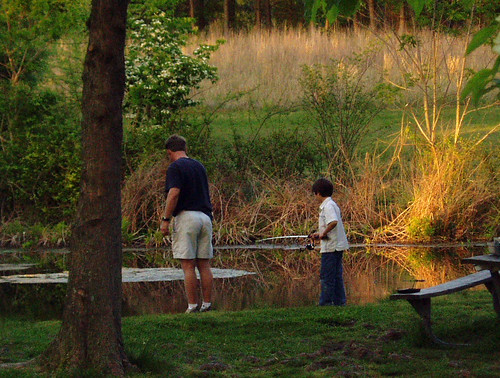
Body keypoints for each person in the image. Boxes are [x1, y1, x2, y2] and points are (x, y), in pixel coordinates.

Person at [160, 135, 214, 313]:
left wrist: (166, 219)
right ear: (185, 148)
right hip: (205, 217)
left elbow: (174, 193)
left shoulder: (175, 167)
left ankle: (192, 305)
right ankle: (207, 304)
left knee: (188, 265)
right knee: (204, 264)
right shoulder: (199, 166)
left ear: (169, 151)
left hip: (187, 217)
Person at [310, 178, 349, 306]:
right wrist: (319, 234)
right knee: (336, 276)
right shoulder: (331, 205)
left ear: (318, 193)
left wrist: (323, 233)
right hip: (335, 246)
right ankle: (339, 302)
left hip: (331, 248)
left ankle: (325, 303)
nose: (315, 196)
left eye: (315, 194)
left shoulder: (328, 206)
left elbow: (333, 222)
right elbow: (331, 224)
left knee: (327, 276)